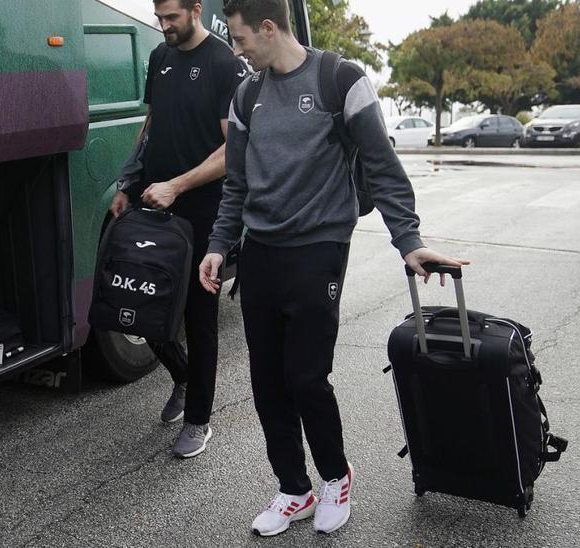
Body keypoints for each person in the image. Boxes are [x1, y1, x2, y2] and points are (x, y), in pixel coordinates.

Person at [199, 0, 469, 536]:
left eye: (239, 38)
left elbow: (381, 166)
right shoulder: (247, 93)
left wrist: (408, 241)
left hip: (319, 248)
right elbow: (237, 184)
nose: (236, 49)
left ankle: (334, 476)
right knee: (266, 380)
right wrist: (219, 243)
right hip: (261, 253)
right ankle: (293, 488)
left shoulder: (341, 80)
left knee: (305, 375)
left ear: (269, 27)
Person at [111, 0, 248, 459]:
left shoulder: (224, 63)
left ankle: (199, 420)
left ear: (195, 9)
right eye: (158, 16)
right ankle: (184, 376)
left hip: (203, 212)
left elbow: (234, 150)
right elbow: (151, 126)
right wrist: (127, 182)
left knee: (198, 318)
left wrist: (177, 185)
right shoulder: (159, 57)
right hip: (154, 205)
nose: (163, 25)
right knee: (139, 301)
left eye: (172, 17)